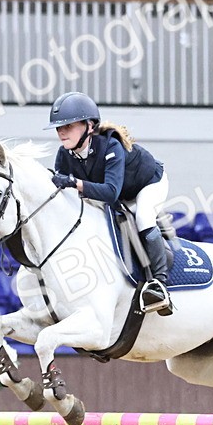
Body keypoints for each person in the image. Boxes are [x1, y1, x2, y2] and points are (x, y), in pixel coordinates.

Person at [45, 91, 173, 315]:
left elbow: (111, 192)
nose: (61, 132)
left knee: (143, 217)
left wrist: (74, 183)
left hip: (147, 184)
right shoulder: (64, 154)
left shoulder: (110, 146)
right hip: (115, 191)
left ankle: (159, 284)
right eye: (58, 127)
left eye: (69, 125)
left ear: (89, 126)